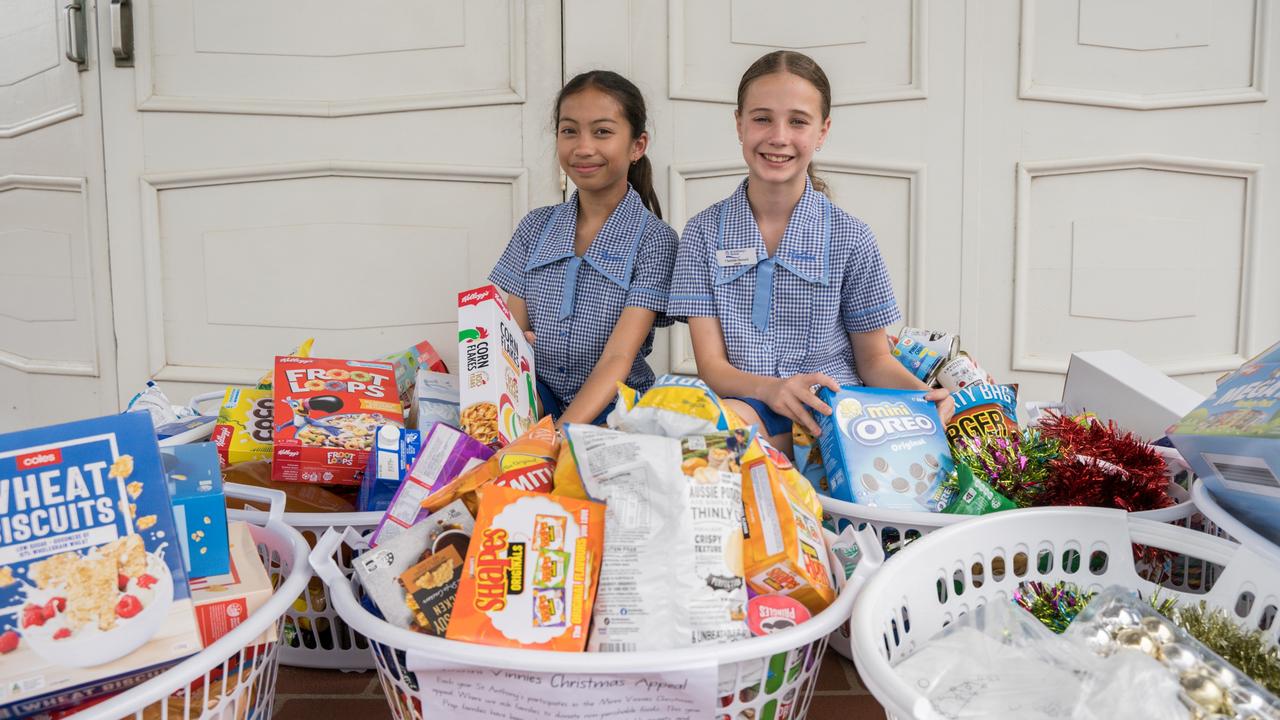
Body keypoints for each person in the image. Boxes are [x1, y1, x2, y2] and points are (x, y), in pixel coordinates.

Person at [669, 51, 953, 456]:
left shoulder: (851, 238)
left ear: (822, 131)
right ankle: (785, 456)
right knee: (702, 438)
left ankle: (791, 456)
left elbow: (873, 361)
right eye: (762, 118)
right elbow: (712, 369)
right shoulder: (701, 234)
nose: (778, 136)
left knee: (728, 449)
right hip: (751, 401)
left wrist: (929, 395)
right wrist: (773, 389)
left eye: (798, 121)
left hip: (838, 411)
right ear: (739, 124)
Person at [490, 70, 678, 426]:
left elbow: (618, 358)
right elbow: (513, 335)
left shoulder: (655, 241)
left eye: (602, 131)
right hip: (538, 392)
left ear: (637, 145)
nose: (583, 147)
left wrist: (556, 436)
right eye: (569, 130)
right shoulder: (535, 227)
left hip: (614, 404)